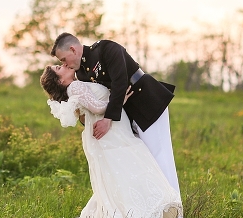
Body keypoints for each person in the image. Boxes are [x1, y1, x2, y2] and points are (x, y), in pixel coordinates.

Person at [40, 64, 182, 218]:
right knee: (134, 171)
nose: (63, 65)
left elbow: (89, 114)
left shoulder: (78, 84)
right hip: (112, 136)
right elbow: (98, 108)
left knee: (123, 176)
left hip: (112, 134)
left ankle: (142, 215)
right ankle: (143, 217)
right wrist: (119, 100)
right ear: (60, 80)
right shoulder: (75, 86)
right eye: (58, 67)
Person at [51, 32, 182, 200]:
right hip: (125, 116)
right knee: (145, 161)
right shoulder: (82, 74)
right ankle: (157, 208)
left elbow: (120, 81)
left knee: (159, 156)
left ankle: (175, 213)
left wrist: (108, 119)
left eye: (63, 59)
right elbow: (95, 102)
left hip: (147, 101)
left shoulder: (105, 49)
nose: (64, 64)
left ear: (72, 49)